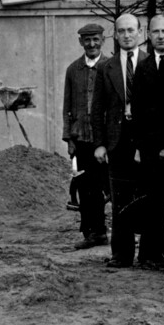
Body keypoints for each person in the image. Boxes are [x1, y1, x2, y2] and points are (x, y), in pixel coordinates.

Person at [92, 12, 148, 269]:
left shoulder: (151, 63)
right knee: (119, 198)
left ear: (140, 32)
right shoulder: (106, 67)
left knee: (148, 196)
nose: (126, 35)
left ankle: (149, 254)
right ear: (115, 35)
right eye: (121, 31)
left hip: (146, 140)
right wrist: (100, 143)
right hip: (117, 141)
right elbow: (97, 109)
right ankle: (122, 254)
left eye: (131, 30)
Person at [131, 13, 164, 267]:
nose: (161, 36)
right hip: (150, 147)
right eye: (156, 32)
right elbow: (137, 110)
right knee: (155, 201)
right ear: (149, 35)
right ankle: (154, 254)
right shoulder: (144, 67)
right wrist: (142, 146)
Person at [62, 23, 109, 250]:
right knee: (85, 187)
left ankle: (113, 232)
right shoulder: (73, 70)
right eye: (87, 40)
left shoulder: (110, 66)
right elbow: (67, 107)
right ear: (81, 42)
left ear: (103, 40)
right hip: (81, 139)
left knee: (106, 186)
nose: (92, 44)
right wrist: (69, 139)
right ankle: (92, 232)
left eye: (96, 39)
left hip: (106, 141)